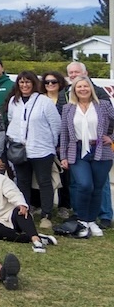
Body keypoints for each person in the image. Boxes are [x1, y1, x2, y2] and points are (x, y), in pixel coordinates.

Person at [0, 153, 58, 252]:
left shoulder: (1, 180)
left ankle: (36, 241)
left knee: (21, 212)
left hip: (5, 216)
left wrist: (21, 204)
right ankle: (33, 238)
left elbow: (13, 193)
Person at [2, 71, 61, 226]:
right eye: (21, 82)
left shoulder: (44, 101)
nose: (24, 85)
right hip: (19, 149)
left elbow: (55, 125)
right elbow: (11, 121)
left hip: (42, 149)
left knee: (44, 182)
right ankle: (25, 212)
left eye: (28, 82)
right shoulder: (14, 102)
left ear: (34, 83)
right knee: (23, 181)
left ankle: (46, 215)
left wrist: (51, 144)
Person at [58, 76, 113, 236]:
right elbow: (64, 134)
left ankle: (91, 221)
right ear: (74, 90)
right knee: (84, 185)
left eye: (85, 86)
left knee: (97, 188)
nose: (83, 89)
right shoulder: (69, 108)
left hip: (100, 150)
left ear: (91, 88)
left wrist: (111, 138)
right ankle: (82, 220)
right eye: (79, 87)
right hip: (77, 150)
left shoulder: (102, 105)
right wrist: (63, 156)